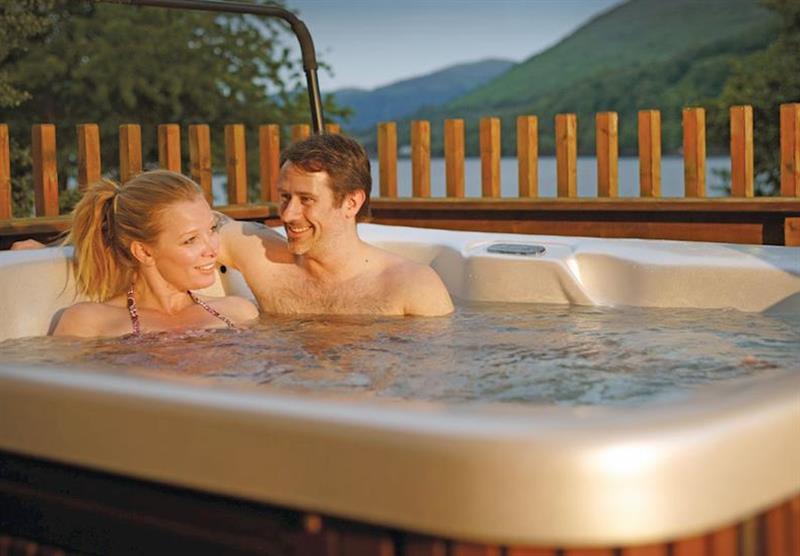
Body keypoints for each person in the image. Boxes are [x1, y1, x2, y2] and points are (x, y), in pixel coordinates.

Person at [215, 133, 454, 316]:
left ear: (351, 203)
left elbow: (432, 375)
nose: (287, 215)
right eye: (285, 197)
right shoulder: (260, 257)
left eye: (306, 199)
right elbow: (197, 222)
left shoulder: (411, 286)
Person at [51, 170, 258, 337]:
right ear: (144, 252)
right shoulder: (89, 322)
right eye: (190, 240)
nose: (212, 249)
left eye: (212, 229)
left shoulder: (239, 312)